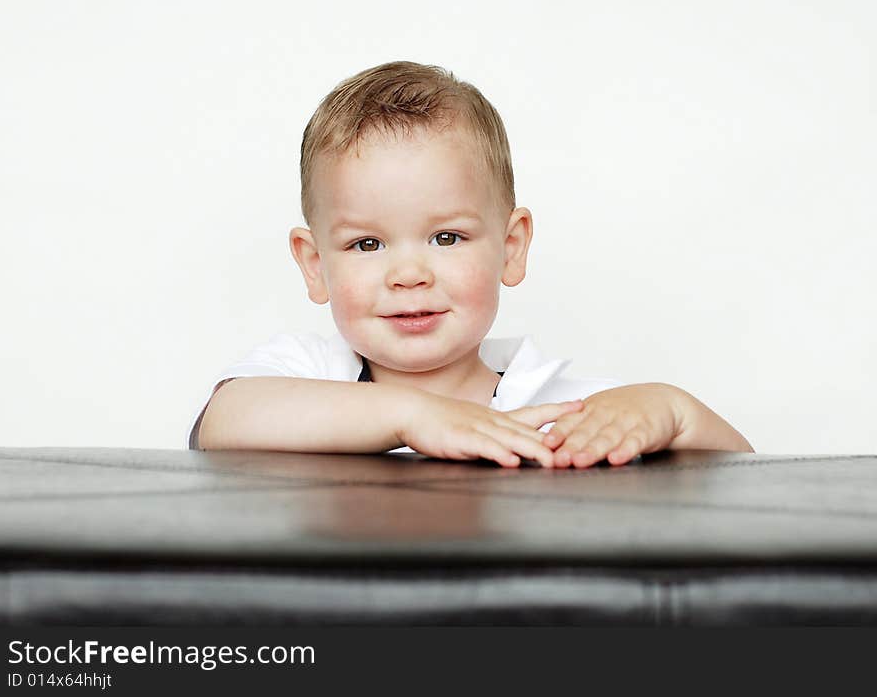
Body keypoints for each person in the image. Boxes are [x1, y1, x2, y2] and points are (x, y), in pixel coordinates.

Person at [187, 60, 753, 468]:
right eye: (367, 245)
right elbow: (222, 421)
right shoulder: (307, 373)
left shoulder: (554, 407)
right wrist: (413, 415)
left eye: (447, 237)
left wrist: (674, 409)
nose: (409, 275)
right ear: (315, 265)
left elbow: (749, 480)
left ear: (510, 248)